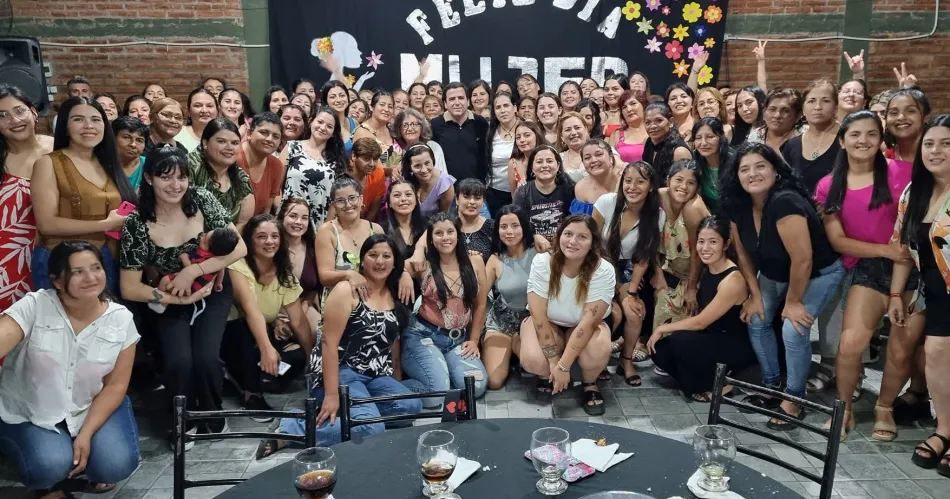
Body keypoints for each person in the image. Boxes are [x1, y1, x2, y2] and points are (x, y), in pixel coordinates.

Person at [119, 145, 246, 443]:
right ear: (149, 178)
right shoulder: (137, 222)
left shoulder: (202, 198)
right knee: (179, 362)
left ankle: (212, 413)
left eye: (182, 177)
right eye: (166, 177)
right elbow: (129, 287)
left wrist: (194, 271)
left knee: (206, 358)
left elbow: (239, 247)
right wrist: (177, 298)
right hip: (167, 298)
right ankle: (182, 417)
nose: (175, 185)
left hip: (211, 291)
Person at [0, 241, 140, 497]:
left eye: (96, 268)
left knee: (114, 464)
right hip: (32, 411)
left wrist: (86, 434)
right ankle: (52, 478)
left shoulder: (121, 319)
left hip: (87, 406)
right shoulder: (35, 305)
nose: (91, 278)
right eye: (77, 272)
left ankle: (80, 454)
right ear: (56, 280)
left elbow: (116, 385)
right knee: (48, 465)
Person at [261, 235, 422, 457]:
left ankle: (351, 416)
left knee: (410, 407)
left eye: (386, 256)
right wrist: (331, 395)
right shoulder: (347, 291)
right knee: (371, 428)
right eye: (373, 255)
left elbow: (393, 341)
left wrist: (395, 380)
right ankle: (291, 429)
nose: (379, 261)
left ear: (395, 263)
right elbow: (328, 343)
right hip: (341, 372)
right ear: (362, 260)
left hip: (374, 375)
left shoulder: (394, 292)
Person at [722, 142, 845, 429]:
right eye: (744, 169)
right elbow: (743, 254)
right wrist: (754, 294)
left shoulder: (785, 201)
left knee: (793, 327)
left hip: (818, 272)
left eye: (760, 166)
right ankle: (771, 384)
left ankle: (794, 398)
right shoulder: (738, 204)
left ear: (776, 171)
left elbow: (803, 259)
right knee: (756, 317)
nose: (752, 174)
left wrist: (793, 302)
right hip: (776, 273)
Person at [815, 110, 919, 440]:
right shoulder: (829, 185)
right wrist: (885, 250)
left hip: (912, 268)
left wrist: (897, 256)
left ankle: (884, 407)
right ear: (842, 141)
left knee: (900, 350)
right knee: (850, 344)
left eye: (871, 133)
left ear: (881, 138)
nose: (864, 140)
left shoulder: (902, 173)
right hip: (868, 267)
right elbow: (838, 240)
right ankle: (843, 410)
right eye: (855, 134)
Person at [891, 114, 950, 475]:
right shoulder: (914, 193)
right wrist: (896, 293)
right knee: (937, 355)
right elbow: (903, 248)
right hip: (936, 290)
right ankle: (944, 429)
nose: (935, 150)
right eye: (929, 143)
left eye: (945, 143)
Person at [31, 97, 138, 293]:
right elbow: (47, 224)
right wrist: (106, 224)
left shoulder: (108, 163)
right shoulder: (48, 163)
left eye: (96, 120)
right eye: (78, 119)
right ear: (65, 126)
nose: (89, 126)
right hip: (62, 262)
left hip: (104, 258)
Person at [646, 216, 757, 401]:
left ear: (725, 244)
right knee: (659, 350)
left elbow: (701, 322)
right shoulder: (708, 269)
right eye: (701, 241)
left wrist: (662, 328)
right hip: (710, 336)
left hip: (731, 343)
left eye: (713, 242)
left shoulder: (732, 279)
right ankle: (702, 381)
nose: (705, 248)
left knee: (681, 340)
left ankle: (725, 383)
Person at [519, 214, 614, 413]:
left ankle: (589, 382)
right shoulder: (542, 262)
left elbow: (588, 324)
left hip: (583, 325)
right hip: (549, 322)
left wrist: (563, 366)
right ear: (559, 235)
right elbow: (538, 315)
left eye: (582, 237)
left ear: (593, 242)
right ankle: (546, 374)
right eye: (568, 234)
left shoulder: (603, 270)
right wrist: (555, 362)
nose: (572, 241)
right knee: (533, 359)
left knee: (599, 348)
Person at [223, 214, 312, 414]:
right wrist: (267, 348)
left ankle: (259, 378)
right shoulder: (238, 266)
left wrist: (310, 359)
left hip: (264, 333)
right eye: (261, 236)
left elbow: (298, 321)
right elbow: (251, 311)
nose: (269, 241)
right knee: (246, 333)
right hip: (234, 335)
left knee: (297, 354)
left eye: (275, 236)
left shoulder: (284, 274)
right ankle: (252, 394)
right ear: (250, 241)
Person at [402, 213, 489, 406]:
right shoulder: (423, 264)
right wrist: (405, 273)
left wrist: (474, 340)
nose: (445, 237)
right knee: (436, 395)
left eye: (450, 232)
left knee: (476, 387)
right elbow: (394, 268)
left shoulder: (474, 261)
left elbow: (480, 304)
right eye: (439, 233)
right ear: (430, 238)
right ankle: (392, 388)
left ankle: (442, 375)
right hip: (423, 336)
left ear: (458, 234)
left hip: (458, 340)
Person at [593, 162, 665, 386]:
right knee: (606, 312)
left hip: (628, 269)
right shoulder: (606, 202)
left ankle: (626, 360)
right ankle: (599, 359)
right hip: (597, 265)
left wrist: (631, 291)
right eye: (628, 181)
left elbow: (644, 256)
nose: (632, 187)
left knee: (635, 313)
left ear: (651, 186)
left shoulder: (657, 215)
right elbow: (592, 242)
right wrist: (611, 280)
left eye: (640, 182)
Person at [0, 85, 52, 310]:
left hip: (55, 253)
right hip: (7, 259)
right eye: (2, 115)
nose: (14, 120)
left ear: (33, 111)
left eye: (19, 111)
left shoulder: (59, 148)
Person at [653, 160, 709, 339]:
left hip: (695, 276)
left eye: (691, 183)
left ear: (697, 188)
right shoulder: (659, 197)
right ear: (668, 180)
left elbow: (698, 253)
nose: (683, 187)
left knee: (682, 334)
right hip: (668, 271)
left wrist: (691, 288)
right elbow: (649, 238)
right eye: (678, 179)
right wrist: (658, 273)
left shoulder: (693, 209)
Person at [483, 205, 537, 389]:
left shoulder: (539, 252)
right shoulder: (495, 259)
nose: (509, 232)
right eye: (503, 227)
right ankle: (508, 347)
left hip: (532, 319)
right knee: (494, 381)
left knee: (538, 367)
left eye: (515, 225)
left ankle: (516, 347)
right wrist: (473, 339)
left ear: (524, 226)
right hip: (502, 319)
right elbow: (479, 299)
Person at [280, 106, 346, 229]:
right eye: (320, 122)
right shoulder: (291, 147)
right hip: (288, 217)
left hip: (319, 221)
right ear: (311, 122)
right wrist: (281, 212)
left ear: (333, 133)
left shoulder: (336, 160)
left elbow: (336, 198)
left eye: (329, 126)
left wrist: (326, 226)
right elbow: (275, 188)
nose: (323, 128)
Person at [152, 227, 240, 315]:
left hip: (192, 286)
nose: (202, 236)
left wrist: (184, 257)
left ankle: (158, 305)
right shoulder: (217, 259)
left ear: (210, 249)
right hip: (200, 285)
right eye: (206, 234)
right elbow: (221, 269)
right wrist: (218, 283)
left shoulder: (202, 256)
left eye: (204, 240)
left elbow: (190, 269)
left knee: (165, 281)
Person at [187, 117, 254, 230]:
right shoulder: (188, 168)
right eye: (221, 141)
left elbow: (243, 222)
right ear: (205, 143)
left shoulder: (241, 177)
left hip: (230, 238)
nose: (229, 147)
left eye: (235, 143)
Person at [781, 79, 842, 194]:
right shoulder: (792, 146)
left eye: (826, 101)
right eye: (811, 101)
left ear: (836, 107)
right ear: (803, 109)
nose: (818, 107)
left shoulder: (847, 139)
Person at [513, 145, 576, 244]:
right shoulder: (522, 193)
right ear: (532, 167)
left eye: (549, 161)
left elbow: (577, 222)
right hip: (532, 245)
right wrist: (533, 237)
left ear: (558, 165)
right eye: (539, 162)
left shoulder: (570, 189)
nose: (545, 165)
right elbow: (517, 225)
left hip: (565, 244)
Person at [431, 82, 490, 182]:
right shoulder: (435, 125)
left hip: (477, 187)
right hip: (447, 188)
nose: (457, 102)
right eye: (452, 99)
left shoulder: (480, 123)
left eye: (461, 98)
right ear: (445, 104)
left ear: (468, 101)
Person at [278, 198, 321, 334]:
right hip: (274, 312)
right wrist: (276, 319)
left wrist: (303, 308)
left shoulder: (314, 248)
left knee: (320, 335)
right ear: (282, 217)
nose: (298, 222)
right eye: (293, 216)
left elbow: (315, 288)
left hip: (304, 306)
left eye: (304, 218)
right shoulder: (271, 247)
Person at [237, 112, 285, 216]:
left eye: (276, 136)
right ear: (249, 133)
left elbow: (266, 211)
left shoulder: (276, 165)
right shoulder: (233, 158)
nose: (269, 139)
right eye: (264, 132)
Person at [485, 91, 518, 216]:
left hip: (523, 190)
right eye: (498, 107)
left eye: (506, 105)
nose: (502, 110)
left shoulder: (526, 128)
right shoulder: (491, 131)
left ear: (515, 108)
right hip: (496, 192)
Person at [691, 117, 734, 214]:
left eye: (710, 137)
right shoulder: (696, 160)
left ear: (721, 138)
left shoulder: (735, 161)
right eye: (698, 138)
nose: (703, 143)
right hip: (710, 216)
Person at [642, 103, 691, 183]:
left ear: (671, 122)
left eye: (659, 120)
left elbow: (683, 184)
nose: (652, 126)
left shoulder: (679, 151)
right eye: (648, 123)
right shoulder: (647, 142)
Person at [403, 143, 456, 218]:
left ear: (433, 161)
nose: (424, 170)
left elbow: (443, 216)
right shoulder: (405, 180)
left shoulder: (445, 183)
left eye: (427, 163)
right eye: (417, 166)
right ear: (410, 167)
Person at [380, 179, 428, 261]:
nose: (403, 199)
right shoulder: (381, 229)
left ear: (416, 200)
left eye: (408, 194)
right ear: (389, 203)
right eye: (397, 195)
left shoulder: (428, 224)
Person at [456, 179, 494, 262]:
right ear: (457, 199)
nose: (472, 202)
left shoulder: (493, 227)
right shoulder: (449, 226)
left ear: (483, 202)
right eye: (466, 197)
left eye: (477, 198)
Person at [349, 137, 387, 221]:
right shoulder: (340, 173)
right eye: (366, 158)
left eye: (375, 159)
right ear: (354, 156)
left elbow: (373, 212)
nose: (372, 164)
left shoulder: (378, 174)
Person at [608, 90, 649, 164]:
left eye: (633, 104)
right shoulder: (616, 135)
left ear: (644, 105)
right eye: (624, 107)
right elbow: (610, 162)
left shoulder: (653, 130)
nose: (629, 109)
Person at [175, 88, 218, 153]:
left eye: (209, 106)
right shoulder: (177, 135)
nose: (204, 110)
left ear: (217, 110)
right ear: (188, 110)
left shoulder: (226, 135)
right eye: (198, 106)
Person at [507, 120, 545, 192]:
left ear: (537, 136)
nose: (522, 140)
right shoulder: (513, 163)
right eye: (518, 137)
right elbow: (514, 195)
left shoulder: (548, 161)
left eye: (527, 135)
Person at [112, 116, 148, 191]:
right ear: (113, 138)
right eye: (126, 137)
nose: (133, 144)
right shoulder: (100, 165)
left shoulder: (150, 165)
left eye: (139, 140)